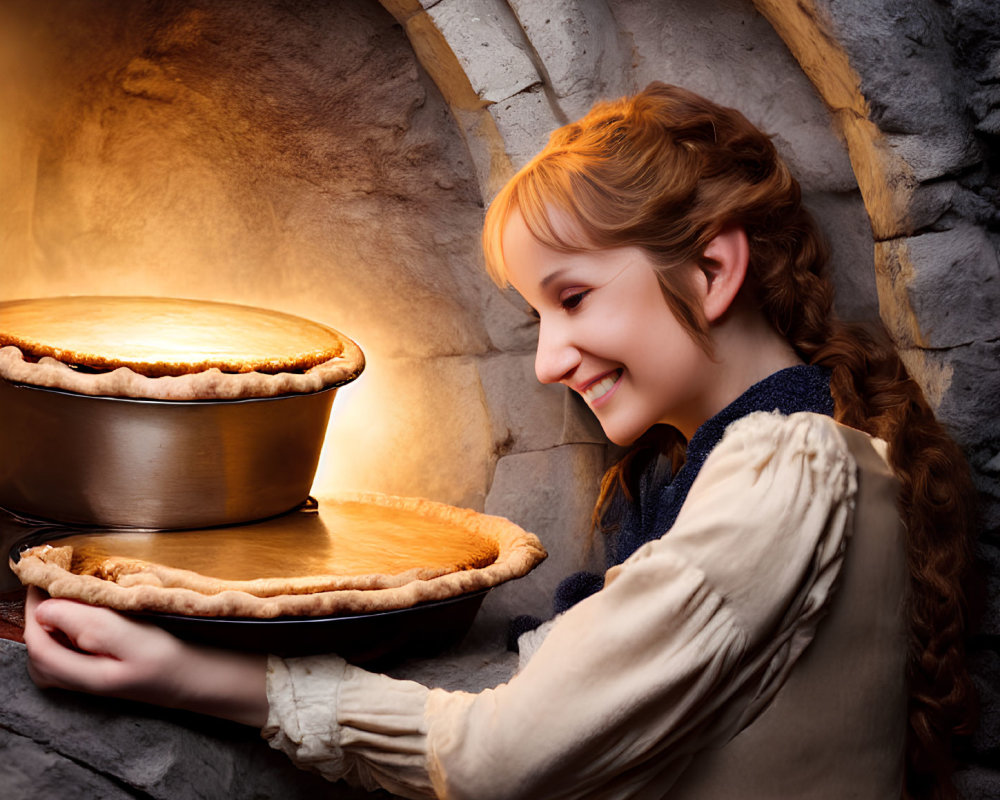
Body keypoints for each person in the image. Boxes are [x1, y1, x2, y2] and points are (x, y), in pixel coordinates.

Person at [23, 83, 977, 799]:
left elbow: (501, 756)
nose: (548, 361)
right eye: (534, 319)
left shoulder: (785, 469)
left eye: (573, 298)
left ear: (714, 267)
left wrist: (206, 679)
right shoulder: (744, 471)